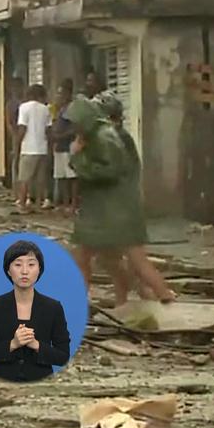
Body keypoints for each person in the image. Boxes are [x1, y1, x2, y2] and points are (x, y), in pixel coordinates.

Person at [64, 95, 177, 306]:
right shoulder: (105, 136)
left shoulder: (107, 137)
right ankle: (128, 301)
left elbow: (109, 172)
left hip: (114, 211)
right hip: (109, 210)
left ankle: (162, 297)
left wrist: (77, 157)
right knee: (110, 260)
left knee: (126, 259)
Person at [0, 240, 71, 382]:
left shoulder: (53, 307)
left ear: (40, 269)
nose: (24, 271)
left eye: (31, 264)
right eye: (18, 264)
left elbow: (63, 356)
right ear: (8, 270)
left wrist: (36, 345)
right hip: (1, 380)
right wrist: (13, 344)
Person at [16, 84, 52, 211]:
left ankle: (22, 204)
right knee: (40, 179)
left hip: (28, 148)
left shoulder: (24, 107)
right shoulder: (45, 109)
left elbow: (22, 128)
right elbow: (48, 130)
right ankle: (38, 204)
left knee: (24, 178)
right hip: (42, 148)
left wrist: (17, 145)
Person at [50, 79, 78, 214]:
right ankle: (65, 203)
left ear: (68, 93)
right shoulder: (60, 109)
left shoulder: (72, 109)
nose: (58, 96)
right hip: (59, 147)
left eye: (61, 93)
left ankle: (73, 204)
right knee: (61, 178)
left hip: (68, 146)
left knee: (71, 177)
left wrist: (60, 136)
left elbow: (74, 128)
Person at [5, 77, 25, 196]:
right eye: (14, 87)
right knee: (16, 161)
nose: (16, 90)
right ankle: (15, 190)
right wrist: (14, 136)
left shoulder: (25, 101)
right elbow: (8, 122)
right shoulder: (10, 104)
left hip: (26, 135)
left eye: (18, 87)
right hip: (15, 134)